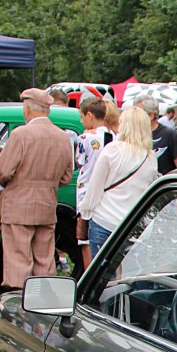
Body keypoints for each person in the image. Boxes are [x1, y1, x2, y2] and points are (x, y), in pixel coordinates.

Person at [0, 88, 75, 289]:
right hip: (47, 204)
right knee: (45, 257)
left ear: (28, 109)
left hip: (18, 204)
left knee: (19, 257)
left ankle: (20, 301)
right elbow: (66, 176)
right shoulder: (62, 136)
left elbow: (2, 170)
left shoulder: (21, 134)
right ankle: (43, 300)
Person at [79, 104, 157, 257]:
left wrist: (85, 214)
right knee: (130, 277)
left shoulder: (112, 150)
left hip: (104, 220)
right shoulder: (151, 157)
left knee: (102, 278)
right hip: (134, 226)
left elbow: (95, 188)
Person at [74, 96, 115, 267]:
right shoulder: (113, 135)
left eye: (82, 118)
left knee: (85, 241)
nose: (82, 122)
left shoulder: (85, 138)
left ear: (89, 115)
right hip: (106, 194)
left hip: (86, 192)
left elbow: (79, 161)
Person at [140, 98, 177, 175]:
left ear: (151, 115)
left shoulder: (169, 134)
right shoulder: (135, 135)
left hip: (163, 184)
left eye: (139, 114)